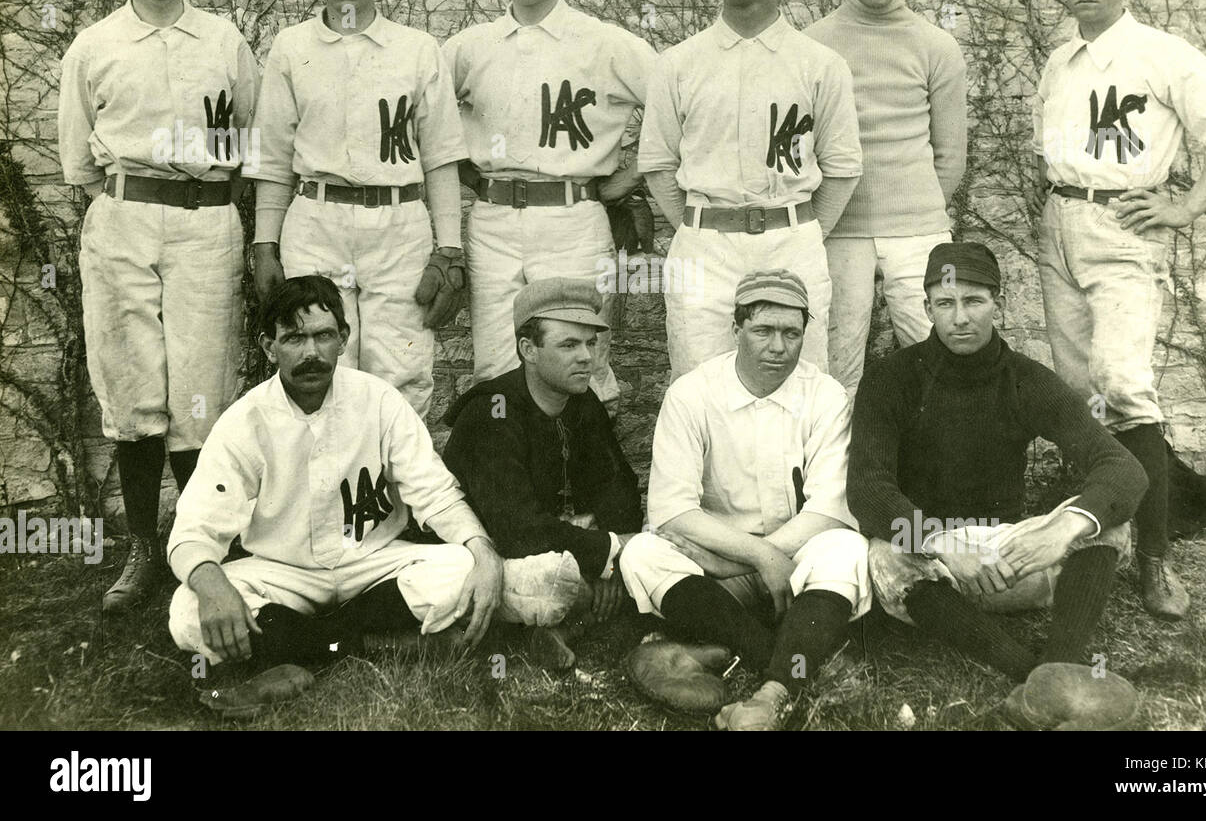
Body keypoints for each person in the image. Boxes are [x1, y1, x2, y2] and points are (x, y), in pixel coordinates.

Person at [1033, 0, 1206, 619]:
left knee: (1127, 386)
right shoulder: (1060, 62)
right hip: (1060, 221)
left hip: (1125, 228)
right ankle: (1099, 542)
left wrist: (1186, 206)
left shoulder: (1161, 54)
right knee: (1081, 392)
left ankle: (1156, 560)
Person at [166, 275, 503, 718]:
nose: (311, 353)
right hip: (284, 572)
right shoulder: (244, 421)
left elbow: (435, 492)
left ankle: (300, 652)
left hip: (372, 563)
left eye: (324, 336)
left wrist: (483, 551)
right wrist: (214, 589)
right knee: (188, 611)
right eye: (294, 339)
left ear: (343, 339)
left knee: (462, 569)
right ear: (270, 347)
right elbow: (193, 529)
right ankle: (371, 644)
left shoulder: (378, 400)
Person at [58, 0, 259, 612]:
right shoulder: (95, 46)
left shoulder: (223, 39)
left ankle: (200, 548)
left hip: (207, 222)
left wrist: (206, 202)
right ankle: (144, 545)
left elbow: (251, 139)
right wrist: (131, 209)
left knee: (199, 391)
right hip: (123, 220)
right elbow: (78, 161)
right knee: (134, 388)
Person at [847, 242, 1148, 729]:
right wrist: (940, 542)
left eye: (974, 301)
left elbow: (1121, 465)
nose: (959, 318)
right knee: (884, 554)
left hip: (1009, 560)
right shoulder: (891, 378)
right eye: (945, 304)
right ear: (927, 309)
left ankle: (1058, 664)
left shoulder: (1025, 379)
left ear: (999, 304)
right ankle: (1032, 673)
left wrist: (1060, 530)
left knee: (1110, 525)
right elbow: (867, 487)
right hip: (933, 570)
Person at [620, 270, 869, 731]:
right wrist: (753, 556)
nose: (778, 346)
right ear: (736, 331)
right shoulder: (691, 394)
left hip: (793, 560)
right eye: (763, 331)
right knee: (641, 553)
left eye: (791, 333)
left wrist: (760, 559)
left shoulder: (826, 395)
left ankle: (758, 675)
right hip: (718, 559)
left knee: (848, 549)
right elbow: (672, 510)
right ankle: (788, 661)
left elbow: (829, 507)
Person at [248, 0, 468, 419]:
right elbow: (275, 156)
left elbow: (440, 157)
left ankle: (397, 495)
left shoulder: (416, 49)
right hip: (316, 217)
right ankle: (329, 493)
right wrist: (265, 243)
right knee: (319, 361)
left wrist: (451, 249)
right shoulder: (291, 47)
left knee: (402, 367)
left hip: (397, 221)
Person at [443, 0, 658, 409]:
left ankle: (579, 488)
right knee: (497, 368)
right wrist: (469, 175)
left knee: (579, 363)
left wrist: (632, 174)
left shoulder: (602, 42)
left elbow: (680, 108)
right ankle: (510, 489)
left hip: (572, 218)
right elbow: (428, 124)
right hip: (493, 220)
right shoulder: (471, 46)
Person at [639, 0, 862, 381]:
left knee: (799, 388)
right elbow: (657, 164)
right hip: (705, 249)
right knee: (700, 388)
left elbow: (842, 167)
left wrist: (797, 230)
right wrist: (702, 226)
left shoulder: (819, 64)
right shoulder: (679, 63)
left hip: (791, 243)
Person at [805, 0, 967, 402]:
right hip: (838, 229)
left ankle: (938, 480)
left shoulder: (936, 45)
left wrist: (915, 208)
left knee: (939, 360)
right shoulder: (813, 45)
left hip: (918, 229)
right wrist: (829, 216)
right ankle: (833, 480)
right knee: (834, 368)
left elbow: (950, 155)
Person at [442, 277, 643, 669]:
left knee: (652, 558)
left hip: (563, 542)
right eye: (568, 344)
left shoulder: (584, 402)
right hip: (493, 554)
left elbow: (619, 487)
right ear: (527, 349)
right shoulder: (493, 409)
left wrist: (614, 561)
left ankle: (558, 627)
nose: (586, 357)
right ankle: (557, 621)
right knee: (555, 580)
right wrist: (610, 552)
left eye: (591, 343)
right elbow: (515, 528)